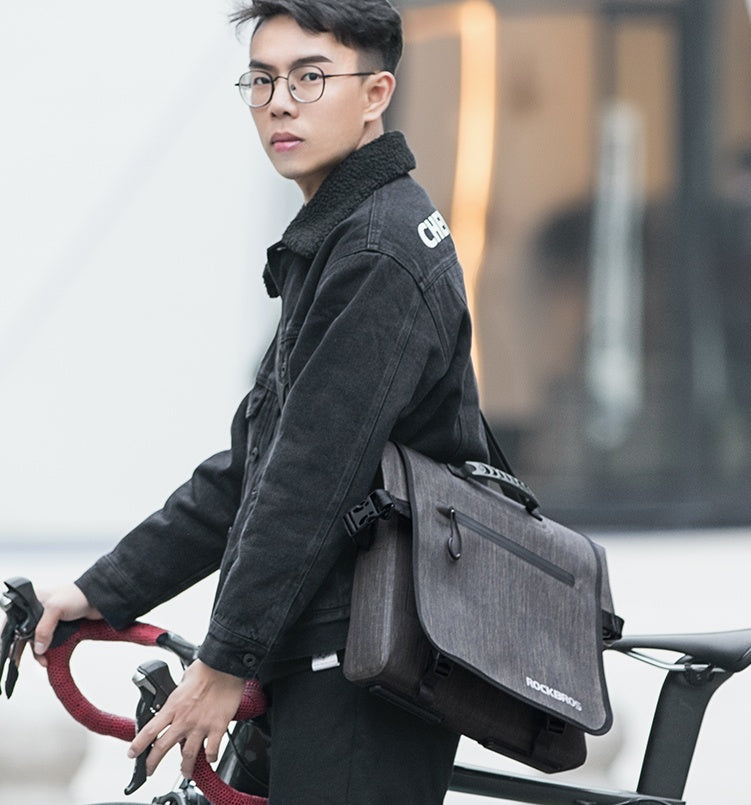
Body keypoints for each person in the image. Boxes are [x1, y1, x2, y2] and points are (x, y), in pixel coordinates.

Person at [30, 1, 487, 801]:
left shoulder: (377, 249)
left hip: (365, 663)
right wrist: (104, 590)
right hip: (321, 646)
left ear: (375, 93)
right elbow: (256, 464)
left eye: (309, 78)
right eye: (263, 80)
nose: (280, 103)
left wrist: (223, 660)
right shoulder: (338, 234)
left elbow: (310, 479)